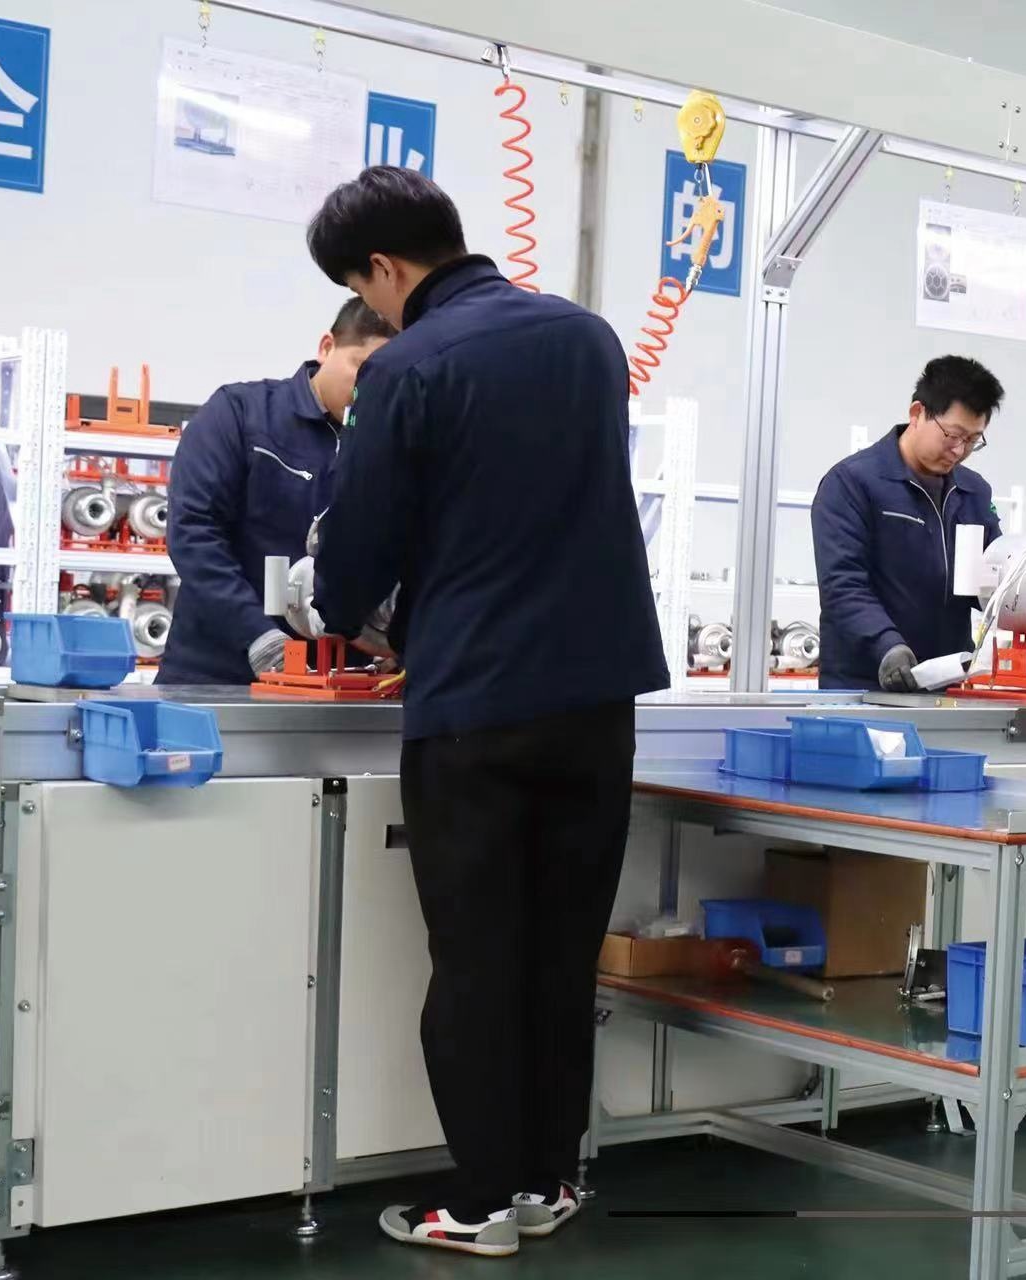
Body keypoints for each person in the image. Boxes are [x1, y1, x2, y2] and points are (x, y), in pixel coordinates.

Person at [305, 166, 667, 1258]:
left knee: (475, 959)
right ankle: (549, 1179)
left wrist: (338, 604)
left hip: (477, 705)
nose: (371, 310)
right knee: (560, 953)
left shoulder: (409, 364)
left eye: (361, 290)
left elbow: (358, 546)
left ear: (382, 268)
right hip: (598, 700)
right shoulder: (589, 339)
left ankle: (477, 1203)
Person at [158, 299, 394, 686]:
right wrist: (256, 634)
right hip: (217, 674)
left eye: (388, 380)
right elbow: (193, 532)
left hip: (346, 683)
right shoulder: (240, 414)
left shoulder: (392, 444)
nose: (369, 390)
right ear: (327, 347)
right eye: (361, 368)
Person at [810, 357, 1005, 691]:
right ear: (917, 413)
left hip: (947, 684)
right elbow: (843, 585)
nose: (959, 450)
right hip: (864, 685)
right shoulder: (853, 483)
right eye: (952, 435)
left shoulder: (973, 492)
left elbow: (995, 578)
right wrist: (887, 646)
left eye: (973, 440)